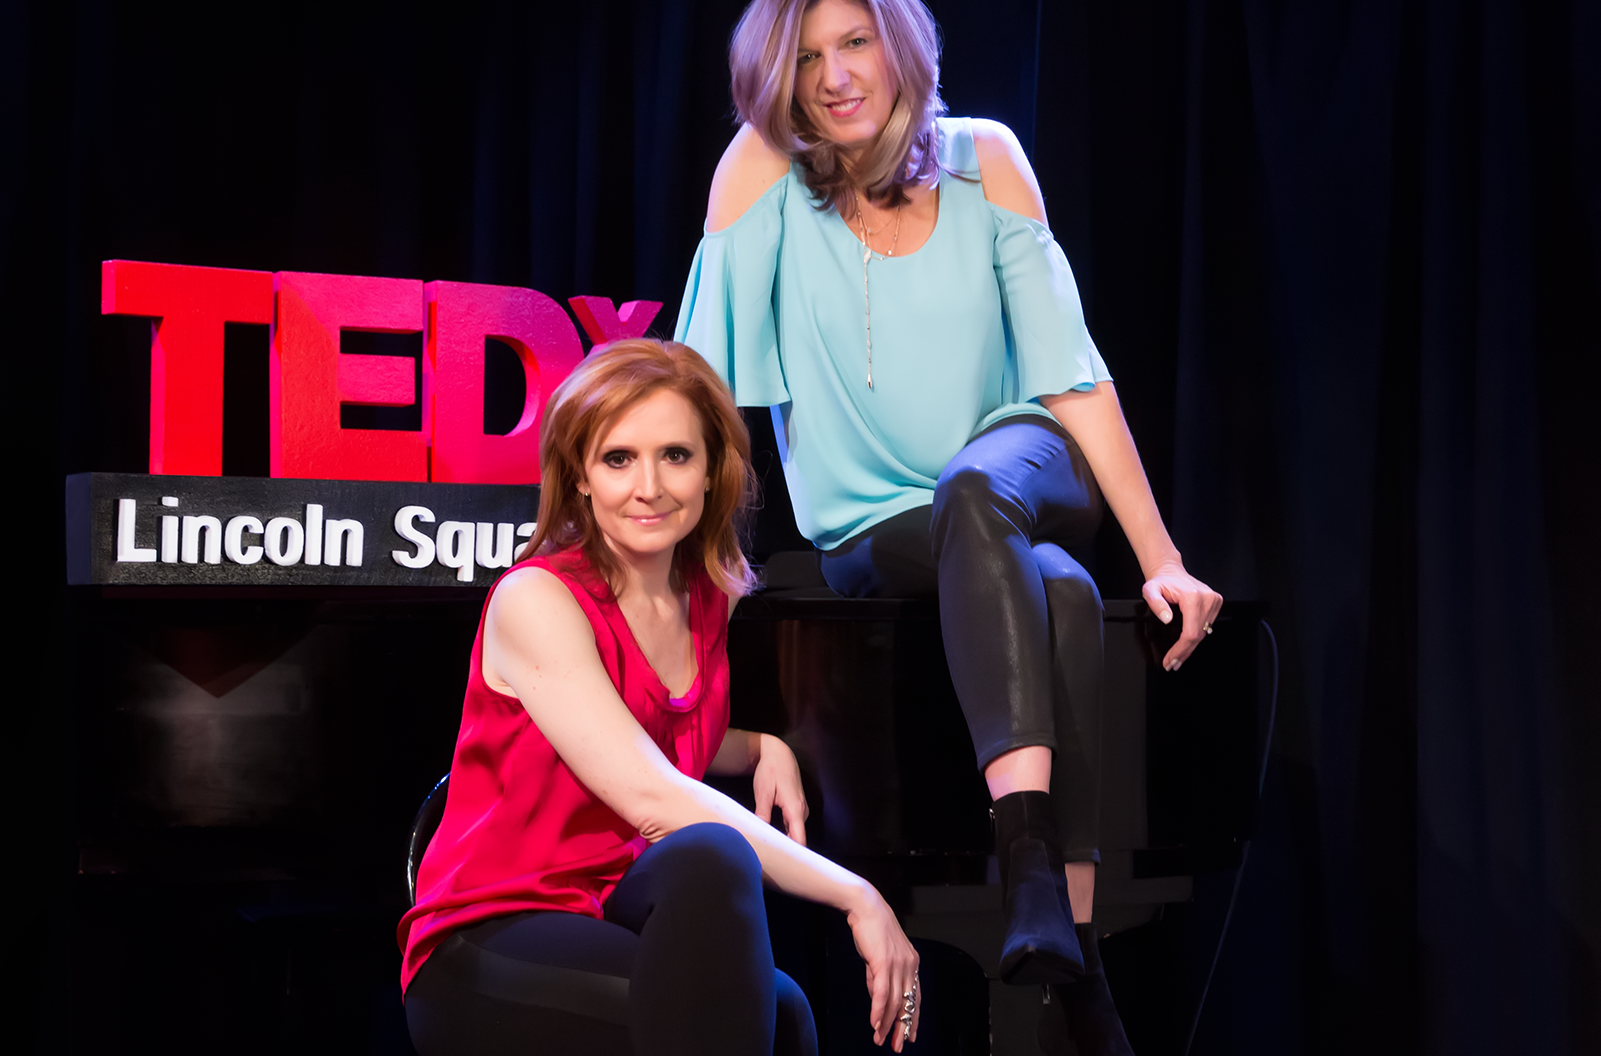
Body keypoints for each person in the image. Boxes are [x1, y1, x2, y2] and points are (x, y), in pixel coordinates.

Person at [675, 1, 1225, 1052]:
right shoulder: (761, 171)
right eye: (805, 59)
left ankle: (1022, 858)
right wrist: (675, 567)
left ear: (902, 43)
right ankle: (1077, 950)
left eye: (853, 42)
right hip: (872, 528)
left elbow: (1070, 373)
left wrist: (1161, 557)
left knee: (976, 489)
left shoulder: (986, 159)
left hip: (1021, 464)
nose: (834, 76)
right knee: (1059, 589)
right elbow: (701, 388)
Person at [398, 339, 923, 1056]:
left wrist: (756, 746)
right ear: (579, 475)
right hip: (489, 940)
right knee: (719, 877)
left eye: (675, 455)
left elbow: (651, 728)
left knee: (766, 966)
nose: (648, 486)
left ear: (713, 471)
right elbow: (650, 794)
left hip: (609, 906)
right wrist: (856, 894)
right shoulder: (536, 599)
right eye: (618, 459)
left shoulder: (708, 596)